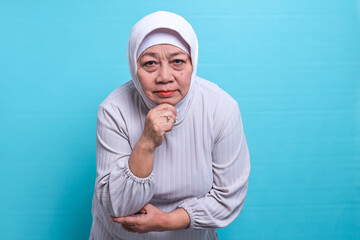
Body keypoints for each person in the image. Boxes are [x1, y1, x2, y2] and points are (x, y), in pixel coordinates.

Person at [89, 11, 250, 240]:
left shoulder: (222, 109)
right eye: (150, 63)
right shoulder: (114, 110)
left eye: (177, 62)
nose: (164, 76)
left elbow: (227, 200)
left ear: (193, 62)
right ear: (134, 68)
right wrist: (146, 143)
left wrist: (166, 221)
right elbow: (118, 205)